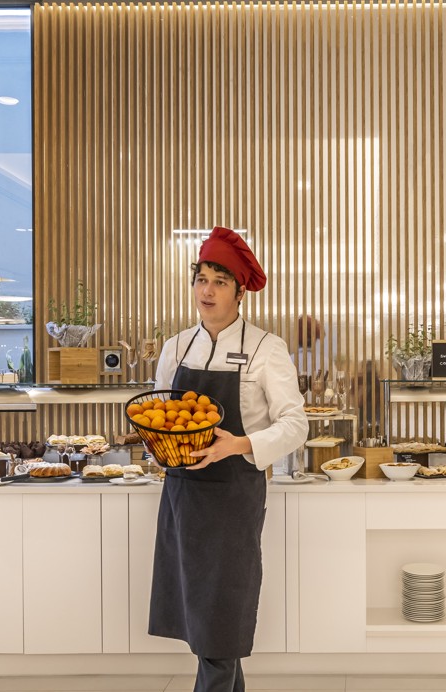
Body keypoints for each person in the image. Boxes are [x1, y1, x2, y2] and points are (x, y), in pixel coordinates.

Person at [150, 226, 308, 692]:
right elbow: (162, 415)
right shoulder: (176, 346)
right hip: (182, 494)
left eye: (219, 280)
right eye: (201, 278)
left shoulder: (265, 348)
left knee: (220, 614)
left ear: (240, 292)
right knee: (205, 621)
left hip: (234, 498)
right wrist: (154, 442)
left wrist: (235, 443)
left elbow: (295, 425)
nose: (207, 290)